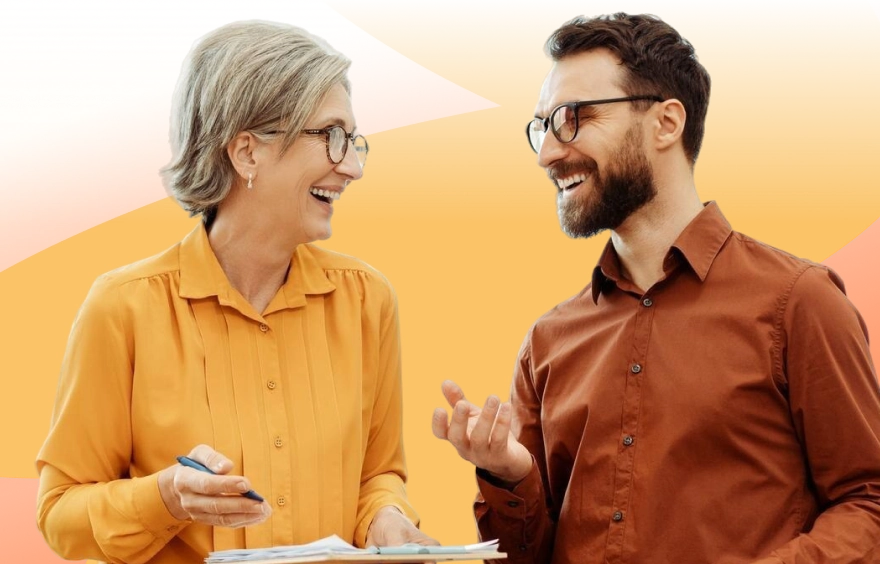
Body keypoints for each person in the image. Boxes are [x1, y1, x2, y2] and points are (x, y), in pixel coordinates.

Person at [432, 11, 880, 564]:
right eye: (542, 126)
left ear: (666, 123)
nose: (549, 152)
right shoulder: (548, 341)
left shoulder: (799, 302)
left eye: (573, 118)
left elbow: (869, 502)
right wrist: (510, 474)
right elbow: (526, 554)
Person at [36, 19, 436, 564]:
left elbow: (377, 474)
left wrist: (388, 520)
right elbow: (60, 515)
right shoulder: (122, 308)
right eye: (332, 136)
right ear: (247, 151)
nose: (354, 166)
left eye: (354, 140)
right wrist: (167, 497)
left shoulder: (366, 301)